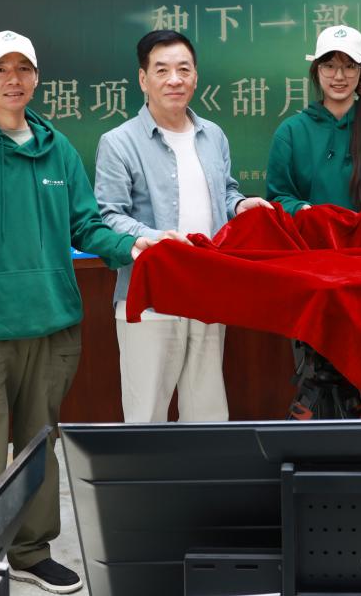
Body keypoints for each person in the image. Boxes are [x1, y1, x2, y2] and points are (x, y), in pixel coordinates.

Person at [0, 30, 155, 594]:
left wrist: (134, 248)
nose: (13, 79)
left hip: (54, 327)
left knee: (38, 445)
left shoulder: (59, 150)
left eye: (23, 68)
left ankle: (31, 551)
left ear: (36, 77)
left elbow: (86, 226)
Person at [95, 29, 269, 423]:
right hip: (150, 297)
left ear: (195, 76)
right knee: (146, 415)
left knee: (207, 411)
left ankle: (204, 468)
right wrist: (158, 239)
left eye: (183, 69)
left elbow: (224, 192)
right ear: (143, 79)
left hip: (208, 291)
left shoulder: (213, 136)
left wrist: (240, 205)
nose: (174, 79)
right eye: (162, 70)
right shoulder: (119, 142)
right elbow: (109, 216)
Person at [266, 24, 361, 418]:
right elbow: (278, 197)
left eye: (349, 66)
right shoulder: (291, 132)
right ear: (316, 71)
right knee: (316, 389)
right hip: (312, 281)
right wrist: (307, 214)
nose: (339, 75)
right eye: (329, 65)